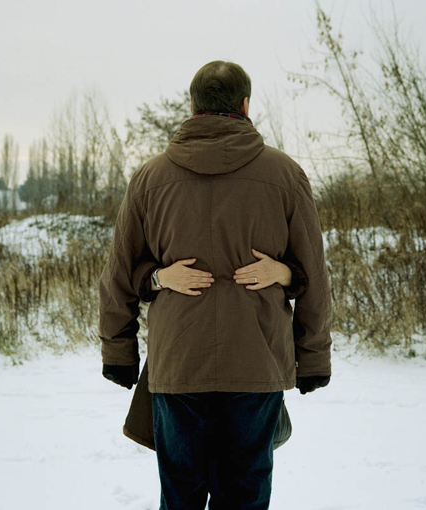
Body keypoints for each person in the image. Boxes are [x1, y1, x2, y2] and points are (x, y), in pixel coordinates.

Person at [98, 60, 333, 510]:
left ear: (193, 107)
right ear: (245, 105)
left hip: (179, 363)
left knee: (181, 495)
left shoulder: (149, 177)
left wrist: (119, 352)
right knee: (244, 496)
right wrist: (313, 357)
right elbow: (314, 275)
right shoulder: (285, 174)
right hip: (257, 360)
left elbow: (117, 276)